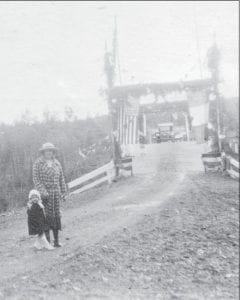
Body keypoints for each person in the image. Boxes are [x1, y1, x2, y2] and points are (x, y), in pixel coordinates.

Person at [33, 143, 67, 247]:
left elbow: (61, 179)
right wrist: (43, 192)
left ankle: (56, 241)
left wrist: (63, 192)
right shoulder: (38, 163)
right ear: (43, 152)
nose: (49, 152)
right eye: (47, 151)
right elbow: (36, 180)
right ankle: (47, 242)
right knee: (46, 217)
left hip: (55, 195)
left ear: (53, 152)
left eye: (51, 151)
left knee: (56, 216)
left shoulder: (57, 163)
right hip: (44, 196)